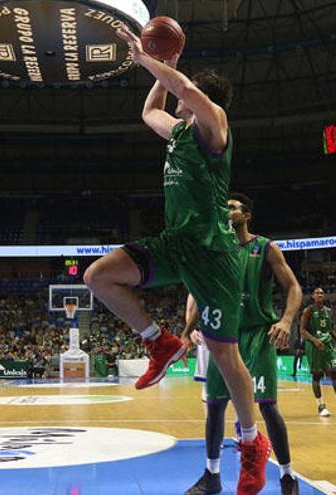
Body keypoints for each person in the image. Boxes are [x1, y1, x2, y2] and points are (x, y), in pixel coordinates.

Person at [84, 28, 270, 495]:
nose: (179, 97)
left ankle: (252, 444)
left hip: (211, 253)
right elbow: (150, 111)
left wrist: (149, 57)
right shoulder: (179, 130)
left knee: (224, 353)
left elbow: (184, 88)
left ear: (202, 98)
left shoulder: (215, 123)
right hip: (175, 243)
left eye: (185, 91)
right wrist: (160, 65)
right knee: (98, 277)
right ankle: (159, 342)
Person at [182, 193, 303, 495]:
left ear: (247, 215)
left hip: (257, 335)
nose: (227, 211)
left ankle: (288, 476)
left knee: (268, 406)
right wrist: (186, 332)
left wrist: (286, 320)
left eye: (233, 207)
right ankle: (212, 475)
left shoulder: (266, 247)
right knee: (214, 407)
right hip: (222, 336)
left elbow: (293, 287)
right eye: (224, 207)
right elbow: (201, 297)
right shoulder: (214, 251)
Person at [300, 288, 336, 417]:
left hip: (327, 345)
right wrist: (314, 340)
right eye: (317, 293)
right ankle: (321, 406)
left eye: (322, 293)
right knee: (317, 375)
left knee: (335, 372)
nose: (320, 295)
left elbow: (331, 330)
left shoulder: (328, 311)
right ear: (313, 296)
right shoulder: (308, 310)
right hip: (313, 346)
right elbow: (302, 331)